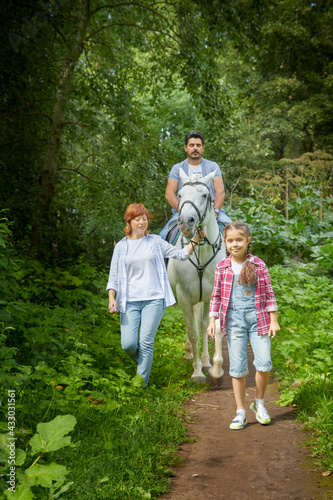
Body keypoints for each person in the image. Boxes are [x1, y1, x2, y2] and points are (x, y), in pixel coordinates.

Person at [107, 203, 204, 387]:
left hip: (154, 299)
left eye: (144, 219)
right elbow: (114, 276)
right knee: (127, 344)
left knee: (145, 341)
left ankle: (140, 385)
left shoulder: (155, 242)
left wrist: (196, 239)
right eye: (137, 219)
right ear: (129, 221)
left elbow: (181, 254)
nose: (142, 222)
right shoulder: (120, 246)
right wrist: (112, 297)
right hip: (129, 302)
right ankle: (146, 361)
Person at [207, 221, 280, 430]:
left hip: (259, 319)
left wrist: (273, 319)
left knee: (264, 362)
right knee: (237, 368)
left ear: (247, 241)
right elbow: (216, 295)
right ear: (225, 243)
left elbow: (268, 293)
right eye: (230, 241)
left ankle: (259, 402)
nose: (234, 244)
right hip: (234, 320)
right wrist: (213, 320)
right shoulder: (222, 266)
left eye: (239, 240)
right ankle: (240, 411)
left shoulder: (258, 264)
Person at [160, 130, 232, 239]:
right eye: (191, 145)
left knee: (236, 231)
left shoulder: (213, 166)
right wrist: (184, 210)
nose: (195, 148)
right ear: (185, 148)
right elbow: (169, 193)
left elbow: (220, 192)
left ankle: (243, 256)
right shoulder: (177, 168)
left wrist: (216, 211)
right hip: (183, 211)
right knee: (162, 236)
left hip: (210, 209)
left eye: (198, 145)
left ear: (203, 148)